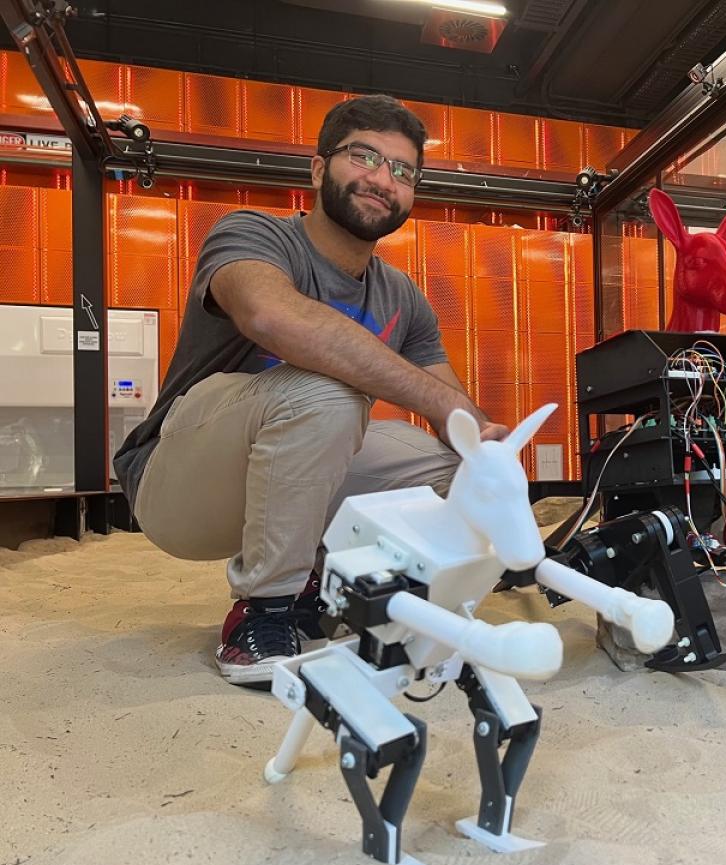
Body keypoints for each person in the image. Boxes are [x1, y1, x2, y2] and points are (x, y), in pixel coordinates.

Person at [114, 94, 507, 688]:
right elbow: (272, 319)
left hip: (289, 483)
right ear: (319, 168)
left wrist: (492, 452)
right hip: (176, 488)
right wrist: (441, 403)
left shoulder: (402, 296)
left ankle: (328, 593)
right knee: (329, 392)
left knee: (454, 466)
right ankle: (263, 610)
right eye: (366, 157)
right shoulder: (252, 234)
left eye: (404, 171)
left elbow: (454, 406)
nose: (383, 179)